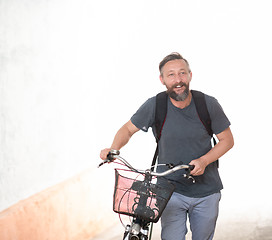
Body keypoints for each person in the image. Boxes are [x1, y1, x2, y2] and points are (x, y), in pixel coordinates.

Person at [100, 52, 234, 240]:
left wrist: (204, 161)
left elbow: (227, 140)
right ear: (162, 80)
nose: (178, 80)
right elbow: (128, 129)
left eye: (182, 73)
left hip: (206, 192)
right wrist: (114, 149)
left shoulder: (207, 104)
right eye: (171, 75)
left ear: (190, 75)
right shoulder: (156, 105)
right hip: (170, 192)